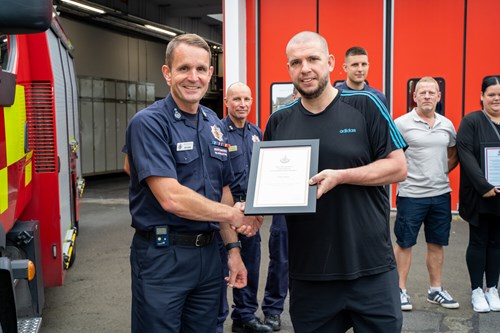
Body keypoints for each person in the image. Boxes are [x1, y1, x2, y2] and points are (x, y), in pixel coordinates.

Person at [263, 31, 407, 333]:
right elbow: (269, 187)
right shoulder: (279, 120)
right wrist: (251, 214)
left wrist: (342, 176)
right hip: (310, 275)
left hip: (370, 269)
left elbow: (398, 168)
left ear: (329, 63)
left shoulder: (366, 105)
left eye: (313, 59)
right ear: (288, 69)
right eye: (296, 62)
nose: (305, 68)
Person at [124, 33, 263, 333]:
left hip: (209, 257)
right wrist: (236, 215)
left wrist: (234, 251)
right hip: (163, 258)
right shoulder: (149, 123)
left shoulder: (214, 123)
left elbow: (223, 191)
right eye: (184, 68)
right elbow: (171, 198)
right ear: (167, 73)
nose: (193, 77)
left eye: (201, 69)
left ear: (211, 74)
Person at [393, 76, 459, 311]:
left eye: (432, 92)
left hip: (441, 194)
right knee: (405, 242)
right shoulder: (401, 124)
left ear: (439, 96)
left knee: (436, 243)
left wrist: (440, 171)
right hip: (411, 194)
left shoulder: (446, 124)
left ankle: (435, 290)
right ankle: (399, 290)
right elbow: (392, 156)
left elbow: (453, 152)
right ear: (415, 97)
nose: (428, 96)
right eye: (423, 93)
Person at [215, 82, 271, 333]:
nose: (242, 104)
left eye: (247, 99)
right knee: (220, 264)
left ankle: (245, 316)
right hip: (223, 208)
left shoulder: (256, 133)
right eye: (236, 99)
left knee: (250, 262)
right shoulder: (215, 132)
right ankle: (215, 318)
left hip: (249, 209)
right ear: (226, 102)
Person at [456, 75, 500, 313]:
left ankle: (492, 288)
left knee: (497, 243)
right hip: (480, 195)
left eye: (499, 95)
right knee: (479, 241)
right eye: (491, 94)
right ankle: (476, 290)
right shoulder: (471, 121)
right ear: (482, 96)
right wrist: (484, 186)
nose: (496, 99)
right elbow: (465, 155)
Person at [260, 88, 301, 332]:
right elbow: (266, 161)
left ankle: (305, 310)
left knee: (314, 260)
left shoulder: (325, 119)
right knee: (281, 258)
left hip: (317, 201)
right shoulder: (279, 119)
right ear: (293, 96)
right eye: (296, 96)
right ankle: (273, 310)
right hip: (285, 203)